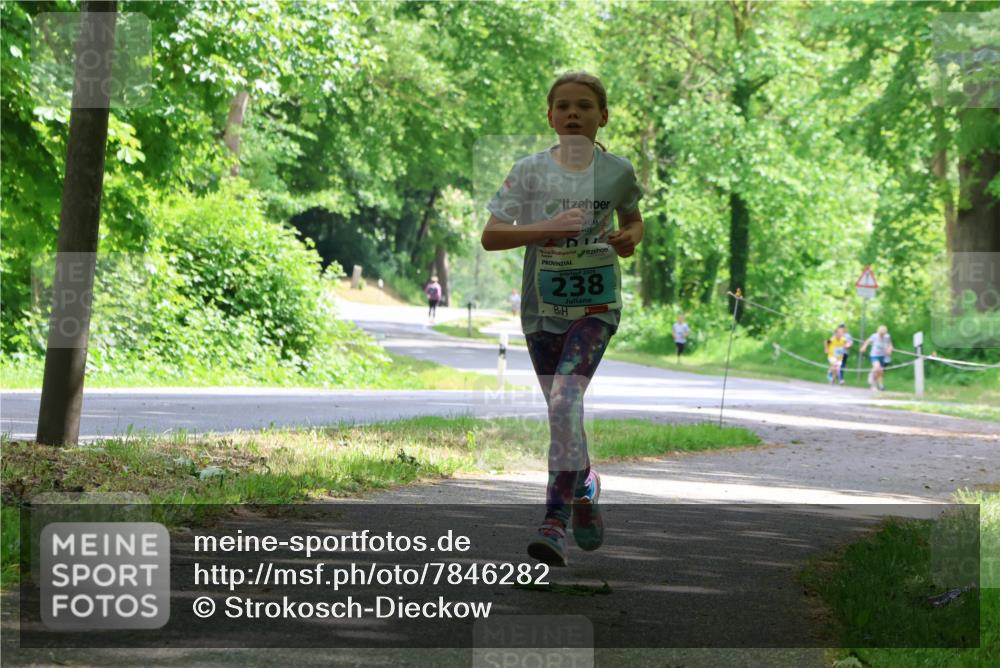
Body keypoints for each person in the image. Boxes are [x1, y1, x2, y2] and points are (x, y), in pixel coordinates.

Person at [481, 71, 644, 567]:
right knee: (561, 410)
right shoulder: (528, 171)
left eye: (585, 106)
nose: (574, 113)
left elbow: (632, 219)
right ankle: (585, 483)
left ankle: (554, 522)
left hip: (596, 307)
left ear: (603, 116)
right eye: (564, 106)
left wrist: (630, 238)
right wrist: (546, 228)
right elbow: (491, 235)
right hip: (543, 308)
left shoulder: (617, 171)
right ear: (550, 117)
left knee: (566, 397)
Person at [859, 324, 893, 391]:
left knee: (881, 371)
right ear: (878, 332)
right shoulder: (874, 336)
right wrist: (864, 347)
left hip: (883, 356)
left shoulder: (887, 337)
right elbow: (867, 341)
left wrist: (889, 350)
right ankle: (872, 382)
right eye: (880, 334)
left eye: (883, 334)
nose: (881, 335)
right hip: (874, 355)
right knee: (877, 366)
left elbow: (890, 345)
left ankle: (880, 385)